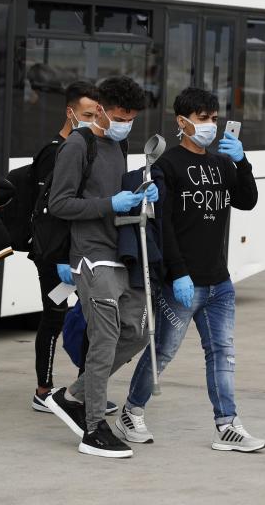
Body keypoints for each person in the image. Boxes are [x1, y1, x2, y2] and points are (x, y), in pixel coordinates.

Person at [113, 87, 265, 452]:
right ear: (182, 122)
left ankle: (227, 425)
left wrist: (242, 161)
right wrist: (178, 272)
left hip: (219, 281)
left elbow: (248, 200)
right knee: (163, 351)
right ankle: (130, 412)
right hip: (183, 282)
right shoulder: (168, 165)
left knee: (222, 352)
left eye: (213, 119)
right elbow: (163, 225)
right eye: (202, 119)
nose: (209, 126)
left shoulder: (221, 163)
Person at [44, 75, 158, 459]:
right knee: (105, 338)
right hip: (92, 256)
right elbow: (59, 204)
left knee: (138, 334)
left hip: (122, 252)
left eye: (132, 117)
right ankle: (93, 428)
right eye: (121, 116)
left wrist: (140, 197)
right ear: (102, 110)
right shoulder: (78, 145)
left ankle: (71, 395)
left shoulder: (119, 144)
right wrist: (112, 203)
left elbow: (113, 193)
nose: (127, 122)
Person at [30, 80, 99, 412]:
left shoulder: (89, 147)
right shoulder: (54, 150)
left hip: (81, 250)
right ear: (70, 112)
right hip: (53, 252)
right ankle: (43, 390)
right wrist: (57, 258)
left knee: (91, 318)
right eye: (87, 114)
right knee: (53, 317)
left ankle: (86, 388)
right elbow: (46, 213)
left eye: (96, 114)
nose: (93, 119)